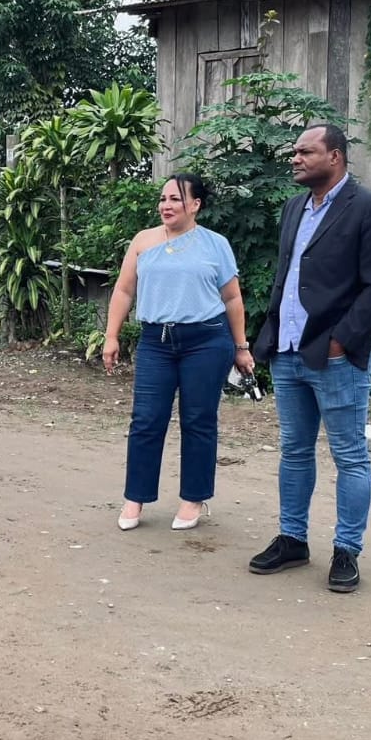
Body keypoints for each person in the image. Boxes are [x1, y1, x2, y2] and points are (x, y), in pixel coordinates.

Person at [248, 123, 371, 592]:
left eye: (305, 152)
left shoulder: (370, 207)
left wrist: (341, 340)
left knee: (349, 454)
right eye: (294, 152)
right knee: (294, 450)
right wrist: (270, 336)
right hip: (287, 350)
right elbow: (287, 277)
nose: (295, 159)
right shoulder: (294, 207)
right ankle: (293, 539)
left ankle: (346, 550)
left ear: (335, 156)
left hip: (335, 356)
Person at [102, 174, 253, 532]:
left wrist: (241, 348)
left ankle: (193, 498)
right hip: (156, 342)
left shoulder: (215, 244)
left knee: (198, 420)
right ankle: (135, 497)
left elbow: (232, 298)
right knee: (146, 420)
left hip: (206, 341)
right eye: (163, 199)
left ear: (195, 205)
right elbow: (124, 290)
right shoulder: (143, 241)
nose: (166, 205)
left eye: (175, 199)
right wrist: (111, 335)